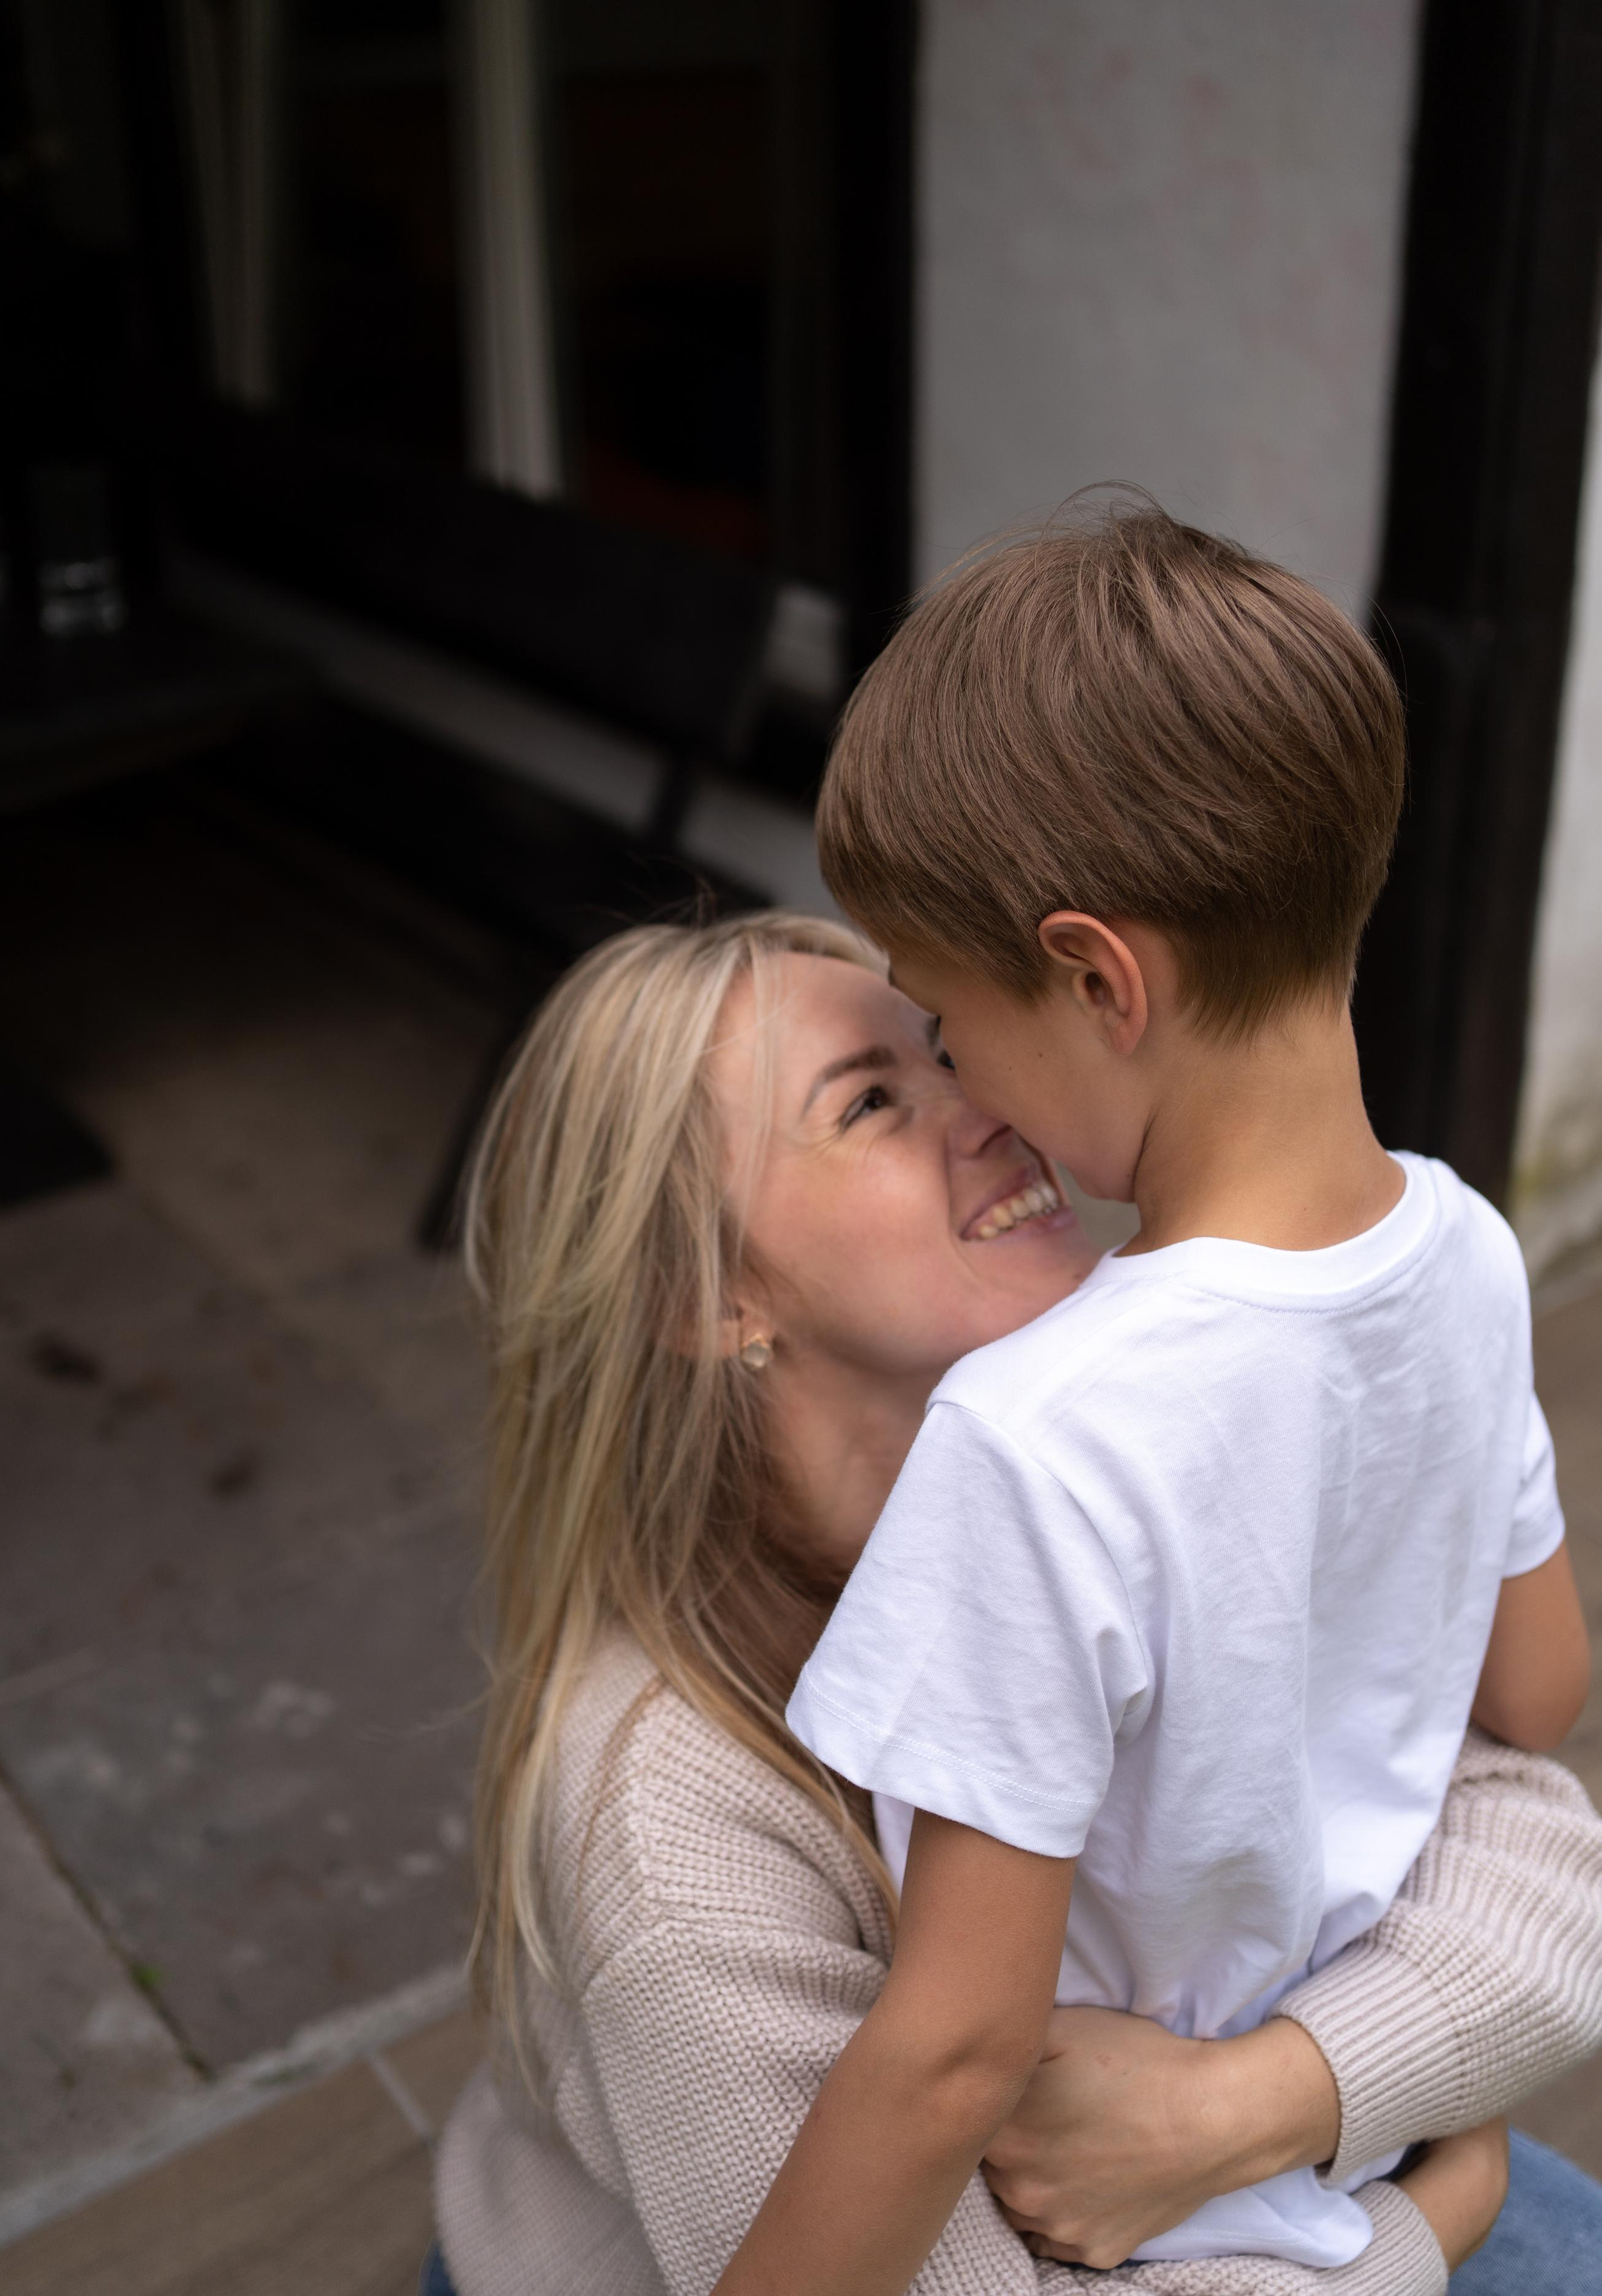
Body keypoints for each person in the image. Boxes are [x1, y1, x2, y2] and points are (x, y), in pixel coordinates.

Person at [426, 910, 1602, 2296]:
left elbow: (1526, 1833)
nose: (983, 1106)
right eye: (866, 1102)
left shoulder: (1150, 1437)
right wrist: (1431, 2219)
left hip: (1252, 2170)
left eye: (941, 1051)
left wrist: (1273, 2099)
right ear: (709, 1295)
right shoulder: (664, 1817)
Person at [701, 504, 1595, 2293]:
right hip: (1355, 2124)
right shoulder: (1474, 1251)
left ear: (1101, 977)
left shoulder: (1043, 1435)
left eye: (951, 1024)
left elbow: (957, 2050)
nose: (969, 1090)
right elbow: (1540, 1686)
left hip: (1151, 2240)